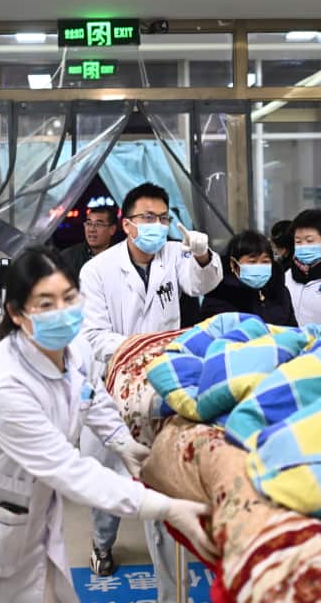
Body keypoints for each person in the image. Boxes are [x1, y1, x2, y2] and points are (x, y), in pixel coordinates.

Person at [0, 247, 214, 602]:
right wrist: (165, 507)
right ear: (16, 313)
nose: (61, 312)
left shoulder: (73, 348)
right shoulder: (3, 386)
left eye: (68, 298)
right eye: (45, 304)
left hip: (32, 514)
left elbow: (89, 394)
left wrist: (123, 442)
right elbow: (71, 471)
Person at [79, 182, 221, 590]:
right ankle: (102, 545)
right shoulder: (98, 270)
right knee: (108, 488)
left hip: (163, 385)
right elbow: (93, 336)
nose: (157, 226)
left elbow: (203, 284)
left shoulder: (174, 254)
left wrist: (202, 253)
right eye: (147, 218)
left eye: (163, 218)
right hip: (115, 386)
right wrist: (140, 348)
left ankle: (169, 591)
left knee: (159, 488)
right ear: (126, 225)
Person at [199, 230, 297, 326]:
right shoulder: (219, 295)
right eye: (252, 262)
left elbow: (292, 330)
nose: (259, 266)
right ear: (233, 264)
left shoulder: (280, 291)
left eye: (265, 261)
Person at [60, 203, 119, 281]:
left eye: (98, 224)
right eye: (88, 224)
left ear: (112, 229)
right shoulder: (68, 257)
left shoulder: (122, 256)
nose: (91, 229)